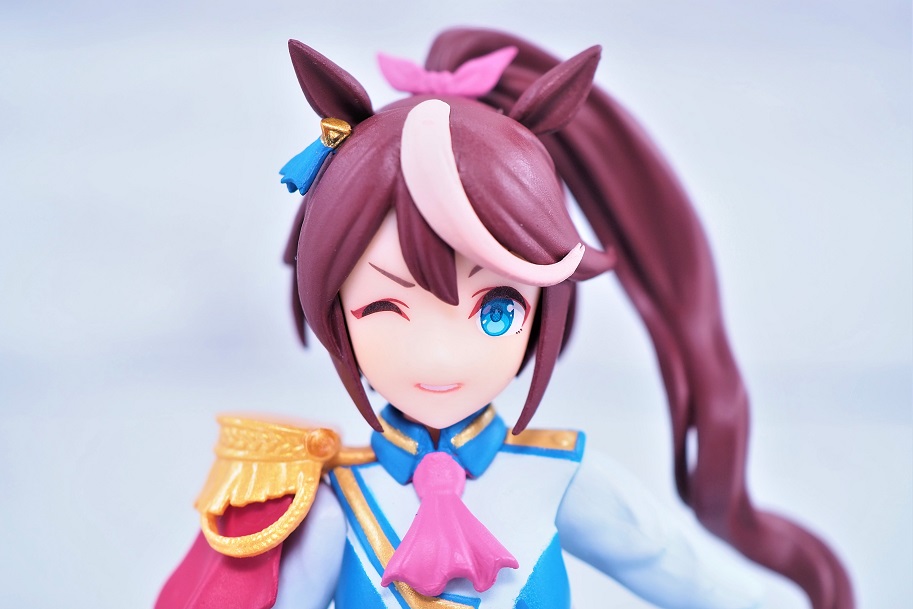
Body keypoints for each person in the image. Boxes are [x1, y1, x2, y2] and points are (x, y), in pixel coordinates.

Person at [156, 28, 853, 609]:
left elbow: (685, 575)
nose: (438, 356)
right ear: (334, 307)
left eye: (494, 309)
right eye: (384, 307)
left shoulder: (557, 476)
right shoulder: (332, 500)